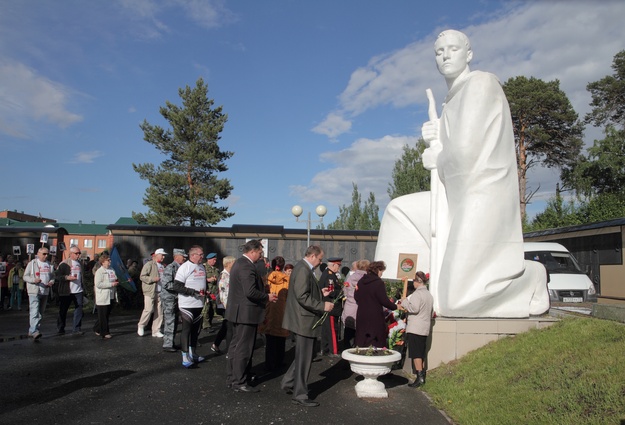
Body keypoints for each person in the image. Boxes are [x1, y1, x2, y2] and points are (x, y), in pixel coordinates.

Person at [281, 245, 334, 407]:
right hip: (304, 320)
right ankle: (300, 394)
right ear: (312, 256)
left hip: (302, 319)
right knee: (305, 358)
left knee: (306, 355)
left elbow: (304, 292)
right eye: (319, 259)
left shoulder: (302, 268)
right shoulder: (303, 269)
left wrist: (319, 292)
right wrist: (322, 305)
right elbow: (302, 297)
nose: (320, 262)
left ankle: (288, 382)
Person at [225, 240, 277, 393]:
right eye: (260, 253)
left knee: (235, 346)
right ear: (253, 251)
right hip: (246, 314)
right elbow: (250, 292)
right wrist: (267, 297)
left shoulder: (239, 263)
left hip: (239, 312)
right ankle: (239, 381)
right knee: (243, 348)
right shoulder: (246, 266)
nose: (261, 256)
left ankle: (233, 377)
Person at [173, 245, 207, 368]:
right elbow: (176, 286)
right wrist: (194, 292)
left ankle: (193, 353)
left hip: (199, 304)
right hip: (186, 304)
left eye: (202, 254)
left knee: (195, 331)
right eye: (200, 254)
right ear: (193, 255)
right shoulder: (184, 267)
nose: (202, 256)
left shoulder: (202, 267)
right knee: (186, 330)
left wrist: (205, 293)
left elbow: (202, 284)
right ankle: (185, 356)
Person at [399, 271, 434, 387]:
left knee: (416, 353)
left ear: (418, 281)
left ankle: (420, 377)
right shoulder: (428, 294)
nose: (412, 283)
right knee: (421, 352)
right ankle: (422, 374)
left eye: (413, 281)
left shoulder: (417, 294)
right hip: (424, 327)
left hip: (415, 328)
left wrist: (404, 302)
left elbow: (414, 309)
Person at [354, 261, 397, 348]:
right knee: (375, 341)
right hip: (375, 316)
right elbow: (384, 300)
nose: (381, 274)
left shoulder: (361, 281)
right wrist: (396, 306)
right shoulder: (378, 283)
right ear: (377, 270)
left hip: (362, 315)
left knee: (363, 340)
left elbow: (356, 296)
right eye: (381, 271)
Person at [258, 256, 290, 370]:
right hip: (282, 312)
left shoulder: (265, 278)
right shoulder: (287, 279)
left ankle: (269, 363)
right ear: (283, 266)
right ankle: (279, 361)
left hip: (268, 311)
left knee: (270, 340)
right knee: (281, 339)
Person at [23, 247, 55, 339]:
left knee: (41, 312)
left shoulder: (49, 264)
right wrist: (34, 280)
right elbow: (25, 276)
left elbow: (53, 276)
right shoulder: (32, 263)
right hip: (34, 291)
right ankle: (34, 331)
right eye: (44, 254)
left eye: (47, 254)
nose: (46, 256)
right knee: (34, 310)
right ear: (38, 254)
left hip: (45, 291)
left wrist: (51, 282)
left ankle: (33, 329)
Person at [55, 246, 86, 335]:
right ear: (71, 254)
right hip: (66, 290)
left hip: (78, 290)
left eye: (79, 253)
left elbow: (82, 276)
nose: (78, 255)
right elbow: (57, 276)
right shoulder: (64, 263)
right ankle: (60, 328)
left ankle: (76, 328)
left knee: (79, 309)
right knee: (63, 310)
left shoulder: (80, 264)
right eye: (76, 253)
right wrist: (66, 277)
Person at [161, 248, 187, 352]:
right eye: (183, 256)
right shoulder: (170, 267)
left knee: (175, 321)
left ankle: (171, 342)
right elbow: (166, 284)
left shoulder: (180, 267)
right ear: (176, 257)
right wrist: (180, 286)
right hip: (169, 299)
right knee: (169, 321)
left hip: (176, 299)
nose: (185, 258)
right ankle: (167, 344)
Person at [137, 248, 166, 337]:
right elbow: (142, 276)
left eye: (164, 255)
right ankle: (141, 325)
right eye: (162, 255)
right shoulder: (149, 264)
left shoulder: (162, 266)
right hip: (150, 291)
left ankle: (156, 330)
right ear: (157, 255)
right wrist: (152, 279)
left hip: (160, 291)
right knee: (148, 309)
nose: (163, 257)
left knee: (159, 311)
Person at [341, 259, 369, 349]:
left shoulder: (350, 277)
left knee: (348, 332)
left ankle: (346, 353)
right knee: (359, 334)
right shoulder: (367, 279)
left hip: (349, 307)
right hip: (361, 309)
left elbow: (344, 291)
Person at [317, 256, 343, 357]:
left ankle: (325, 349)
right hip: (331, 305)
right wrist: (341, 292)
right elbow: (331, 291)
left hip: (327, 305)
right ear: (333, 265)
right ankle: (333, 350)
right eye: (338, 265)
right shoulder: (330, 276)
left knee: (326, 329)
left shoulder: (327, 274)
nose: (339, 268)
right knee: (332, 329)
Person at [211, 255, 235, 355]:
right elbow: (223, 293)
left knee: (226, 326)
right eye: (234, 262)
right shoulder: (224, 276)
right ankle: (229, 351)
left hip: (227, 305)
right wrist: (228, 307)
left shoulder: (229, 274)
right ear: (229, 264)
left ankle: (216, 344)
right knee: (230, 328)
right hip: (225, 306)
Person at [93, 253, 119, 339]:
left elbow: (114, 278)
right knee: (103, 315)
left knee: (106, 314)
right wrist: (111, 284)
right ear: (103, 262)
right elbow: (98, 284)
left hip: (111, 295)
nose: (110, 262)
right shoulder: (99, 271)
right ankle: (104, 332)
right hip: (103, 296)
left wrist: (116, 281)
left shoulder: (112, 269)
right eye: (108, 260)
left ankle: (97, 328)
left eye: (110, 260)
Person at [202, 253, 220, 330]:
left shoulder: (216, 269)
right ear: (208, 259)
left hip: (214, 292)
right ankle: (206, 326)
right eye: (213, 259)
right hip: (207, 291)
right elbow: (199, 279)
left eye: (215, 259)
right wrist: (208, 280)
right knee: (206, 309)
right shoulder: (203, 268)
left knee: (213, 309)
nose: (215, 261)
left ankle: (210, 323)